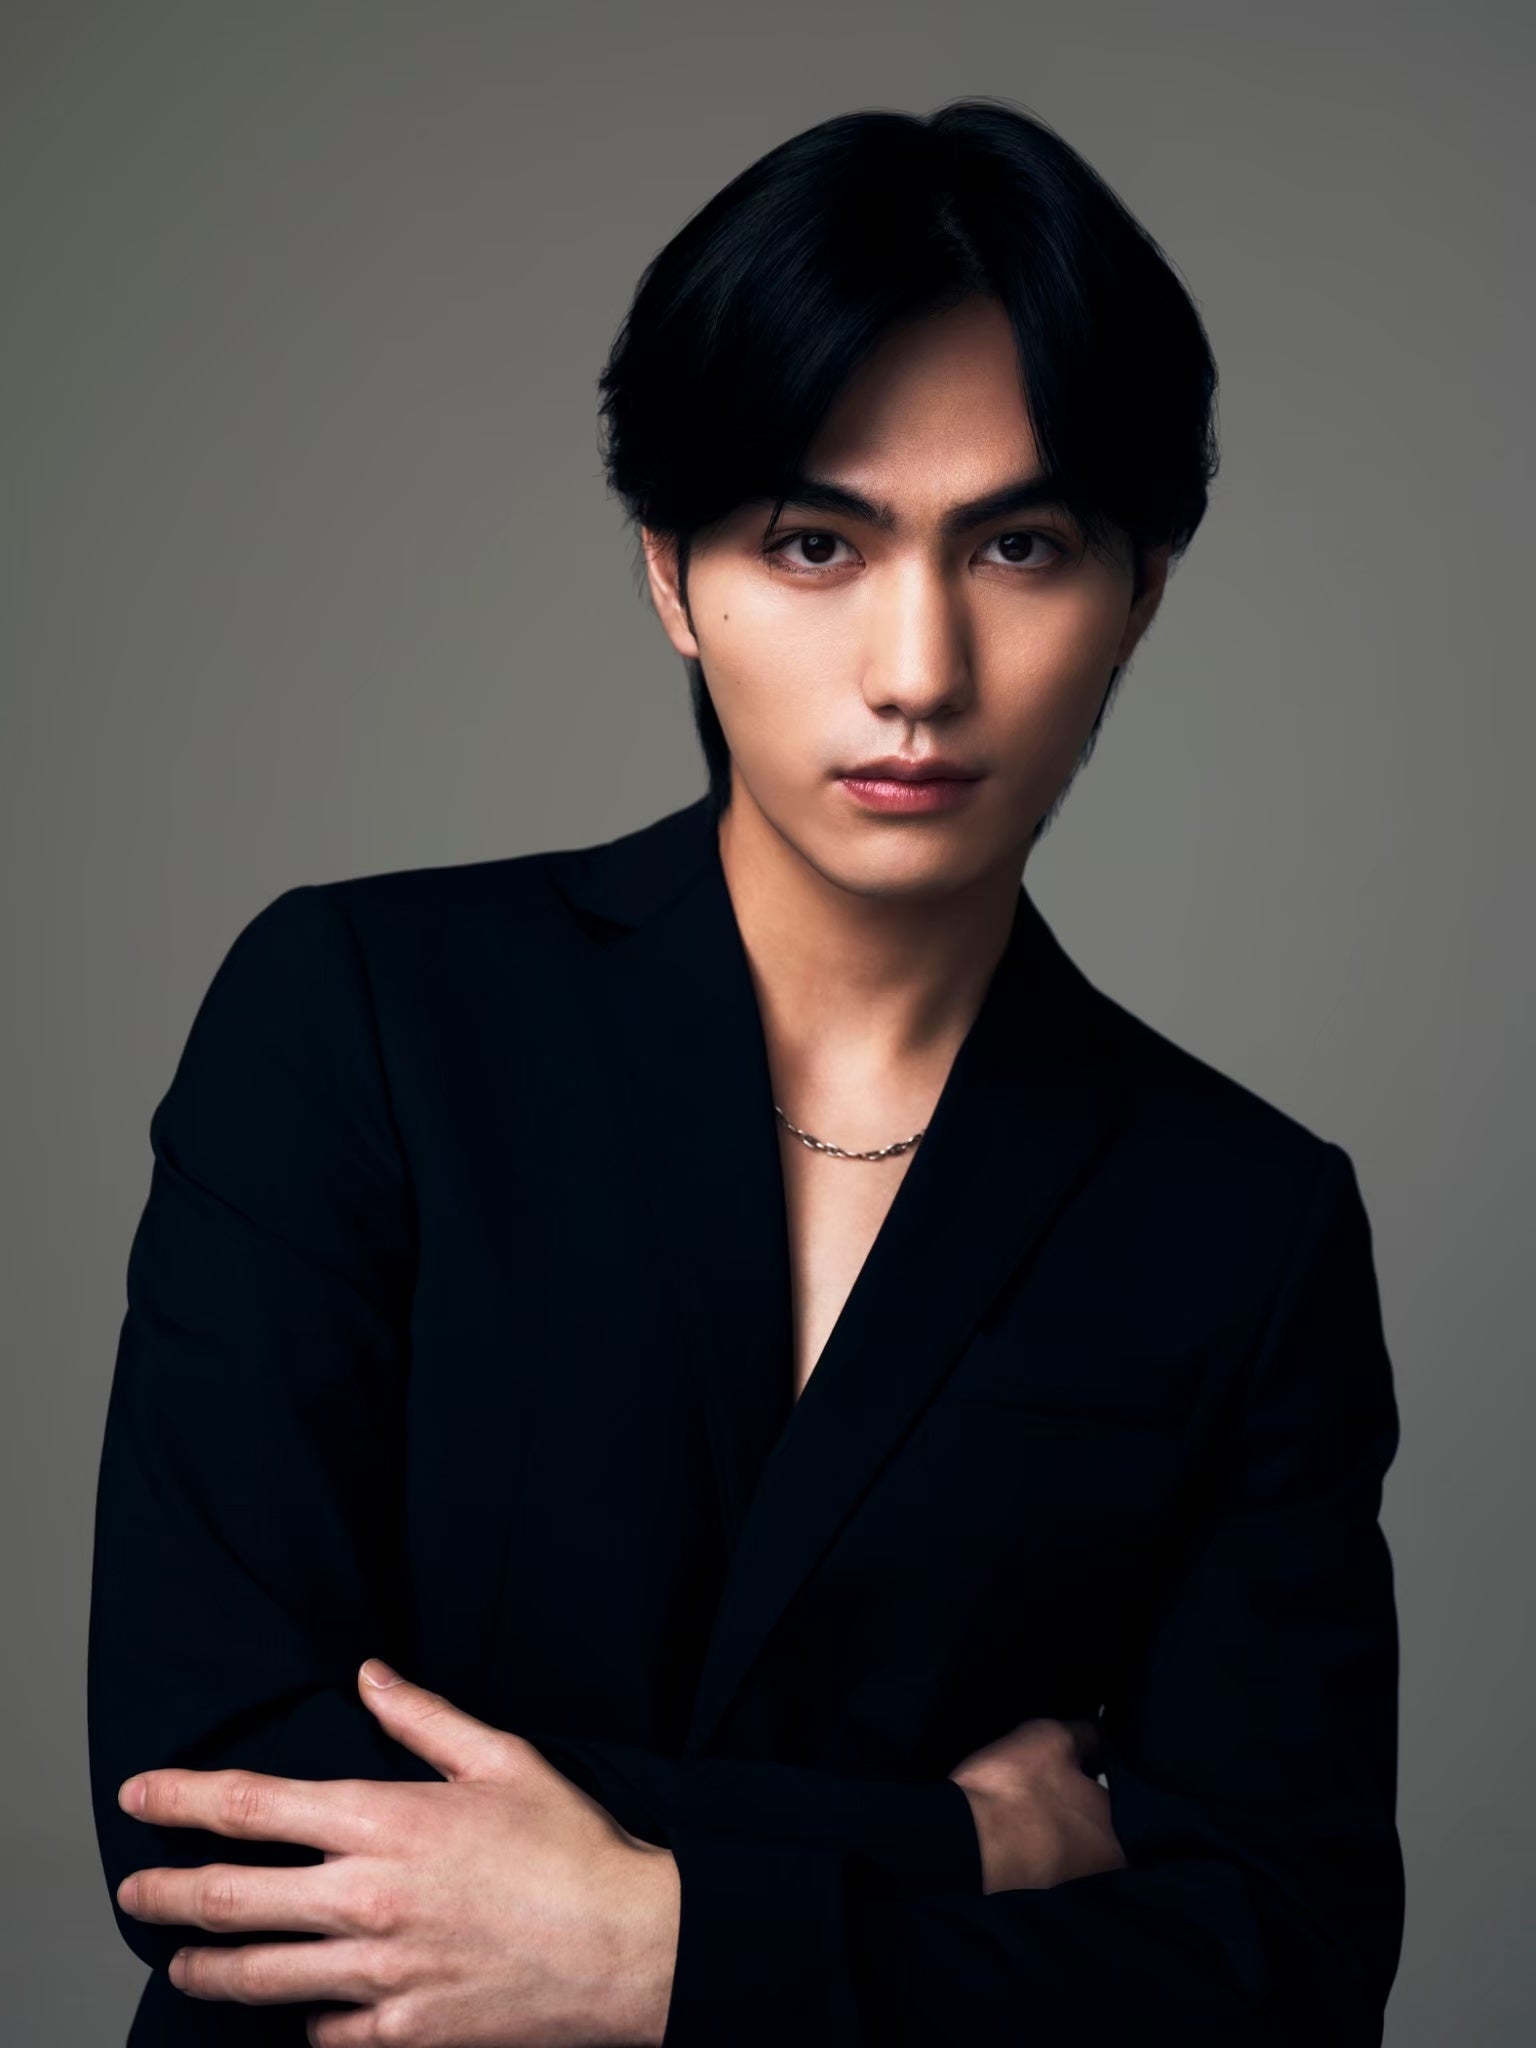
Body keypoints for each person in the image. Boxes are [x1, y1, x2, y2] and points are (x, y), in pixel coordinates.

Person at [88, 98, 1404, 2046]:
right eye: (814, 543)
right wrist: (959, 1845)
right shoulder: (359, 1014)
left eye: (1019, 545)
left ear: (1140, 591)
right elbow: (210, 1813)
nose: (917, 667)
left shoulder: (1246, 1224)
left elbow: (1283, 1971)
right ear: (669, 575)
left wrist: (675, 1950)